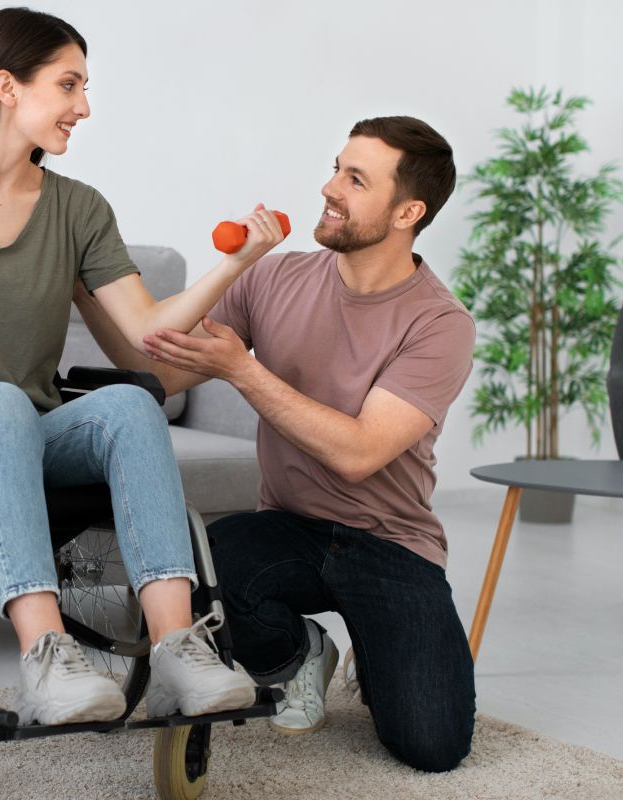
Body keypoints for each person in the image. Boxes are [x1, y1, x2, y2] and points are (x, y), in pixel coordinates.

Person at [0, 7, 280, 726]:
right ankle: (45, 661)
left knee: (131, 403)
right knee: (1, 403)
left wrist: (234, 265)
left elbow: (142, 337)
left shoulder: (78, 208)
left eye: (85, 89)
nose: (84, 107)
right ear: (8, 86)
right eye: (69, 86)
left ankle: (177, 653)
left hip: (26, 427)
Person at [75, 116, 476, 770]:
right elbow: (164, 369)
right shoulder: (274, 279)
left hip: (390, 541)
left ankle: (380, 655)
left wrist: (242, 369)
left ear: (408, 211)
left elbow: (358, 452)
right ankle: (302, 653)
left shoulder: (440, 323)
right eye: (336, 167)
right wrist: (86, 287)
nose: (329, 187)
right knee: (200, 568)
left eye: (355, 178)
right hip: (285, 528)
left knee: (431, 745)